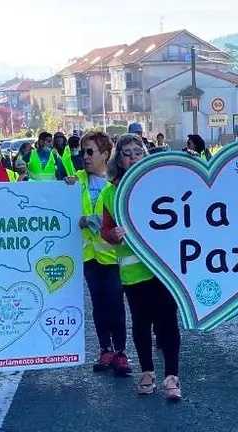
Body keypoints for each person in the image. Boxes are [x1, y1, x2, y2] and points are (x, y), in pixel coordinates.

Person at [100, 133, 183, 401]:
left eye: (138, 151)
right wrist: (113, 236)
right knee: (141, 322)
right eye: (127, 152)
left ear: (145, 154)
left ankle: (172, 377)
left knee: (168, 320)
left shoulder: (161, 184)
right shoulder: (110, 191)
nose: (133, 155)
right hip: (134, 270)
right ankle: (147, 373)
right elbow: (106, 230)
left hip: (163, 267)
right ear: (118, 158)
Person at [65, 131, 130, 377]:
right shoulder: (76, 180)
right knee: (99, 305)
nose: (85, 157)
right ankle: (106, 350)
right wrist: (66, 189)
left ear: (105, 154)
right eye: (83, 152)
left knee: (115, 305)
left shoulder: (115, 182)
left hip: (113, 255)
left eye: (90, 152)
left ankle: (121, 353)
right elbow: (63, 208)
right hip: (89, 256)